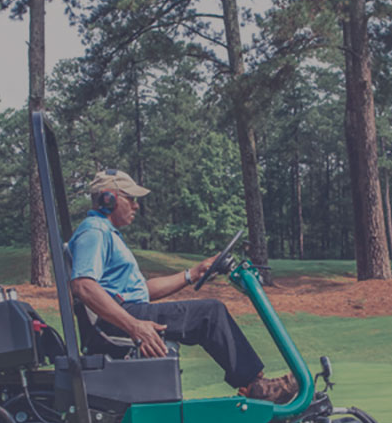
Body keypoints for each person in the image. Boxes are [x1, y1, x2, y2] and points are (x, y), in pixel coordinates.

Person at [66, 168, 298, 405]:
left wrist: (193, 274)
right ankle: (256, 386)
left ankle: (254, 384)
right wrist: (135, 327)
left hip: (126, 310)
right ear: (109, 198)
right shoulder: (94, 231)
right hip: (116, 320)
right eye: (131, 198)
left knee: (208, 313)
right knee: (210, 314)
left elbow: (143, 291)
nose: (136, 206)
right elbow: (83, 285)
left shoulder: (107, 233)